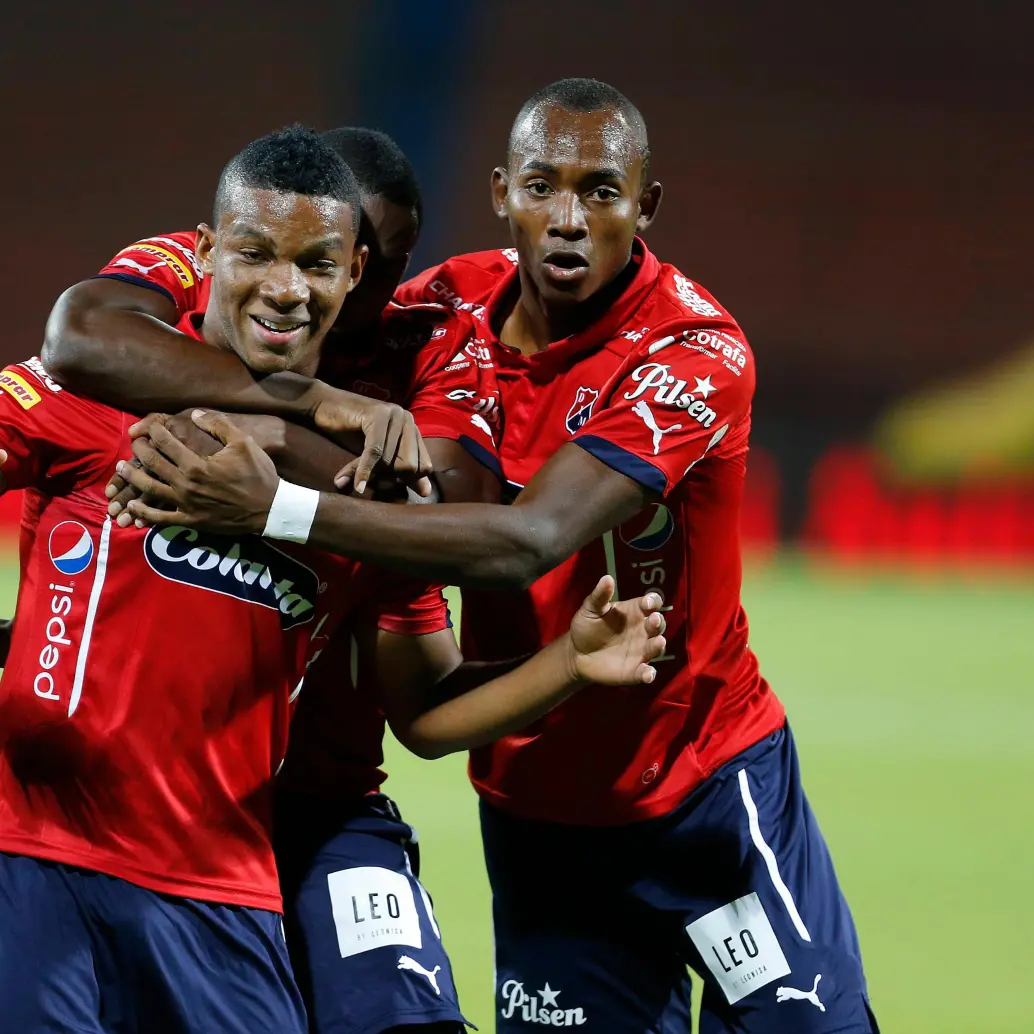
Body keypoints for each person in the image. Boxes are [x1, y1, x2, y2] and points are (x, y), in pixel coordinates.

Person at [120, 81, 880, 1034]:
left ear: (645, 206)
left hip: (701, 786)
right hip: (536, 806)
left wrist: (275, 501)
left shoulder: (692, 352)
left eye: (600, 192)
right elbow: (167, 325)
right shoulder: (442, 311)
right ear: (500, 192)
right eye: (542, 186)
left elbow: (528, 540)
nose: (568, 219)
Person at [0, 123, 667, 1034]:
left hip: (226, 886)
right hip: (34, 850)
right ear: (206, 252)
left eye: (318, 265)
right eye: (255, 255)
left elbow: (426, 697)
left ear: (356, 274)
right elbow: (75, 338)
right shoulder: (104, 389)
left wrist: (568, 663)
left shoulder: (372, 482)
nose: (286, 288)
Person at [41, 126, 501, 1034]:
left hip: (324, 797)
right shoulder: (193, 283)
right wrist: (307, 405)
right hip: (146, 813)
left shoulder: (432, 344)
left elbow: (456, 523)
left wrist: (275, 481)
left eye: (367, 267)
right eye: (269, 254)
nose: (318, 291)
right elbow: (77, 340)